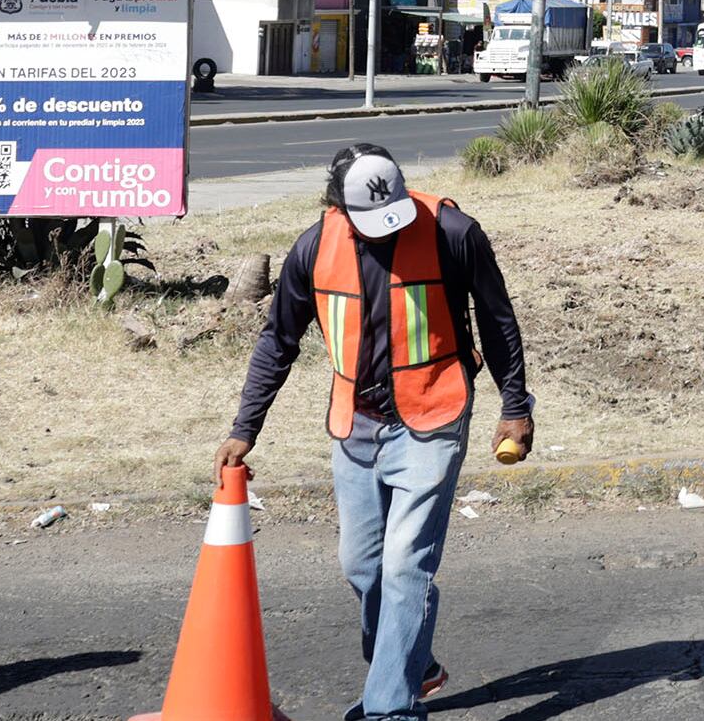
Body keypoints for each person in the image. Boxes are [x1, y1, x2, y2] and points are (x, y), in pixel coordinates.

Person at [217, 145, 534, 721]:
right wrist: (246, 428)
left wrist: (516, 406)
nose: (386, 234)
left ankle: (391, 709)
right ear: (336, 205)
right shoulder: (314, 247)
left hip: (434, 415)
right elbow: (278, 341)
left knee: (408, 565)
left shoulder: (452, 232)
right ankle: (415, 664)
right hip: (356, 424)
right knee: (361, 565)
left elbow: (497, 318)